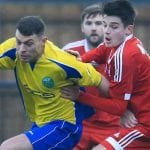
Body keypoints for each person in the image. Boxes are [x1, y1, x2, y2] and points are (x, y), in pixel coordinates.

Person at [0, 16, 109, 150]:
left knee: (8, 148)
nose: (22, 49)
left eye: (29, 44)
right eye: (18, 42)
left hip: (64, 126)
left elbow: (101, 81)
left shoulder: (63, 63)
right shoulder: (13, 51)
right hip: (40, 124)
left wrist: (123, 110)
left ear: (43, 41)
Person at [61, 0, 150, 149]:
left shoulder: (126, 56)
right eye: (105, 24)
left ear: (128, 30)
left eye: (113, 26)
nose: (107, 30)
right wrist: (79, 60)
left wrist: (79, 96)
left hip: (144, 125)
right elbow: (99, 52)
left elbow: (118, 108)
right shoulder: (115, 42)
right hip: (133, 120)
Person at [63, 4, 120, 150]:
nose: (93, 28)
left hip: (112, 125)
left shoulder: (121, 53)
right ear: (82, 28)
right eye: (89, 23)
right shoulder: (70, 51)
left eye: (99, 23)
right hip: (80, 123)